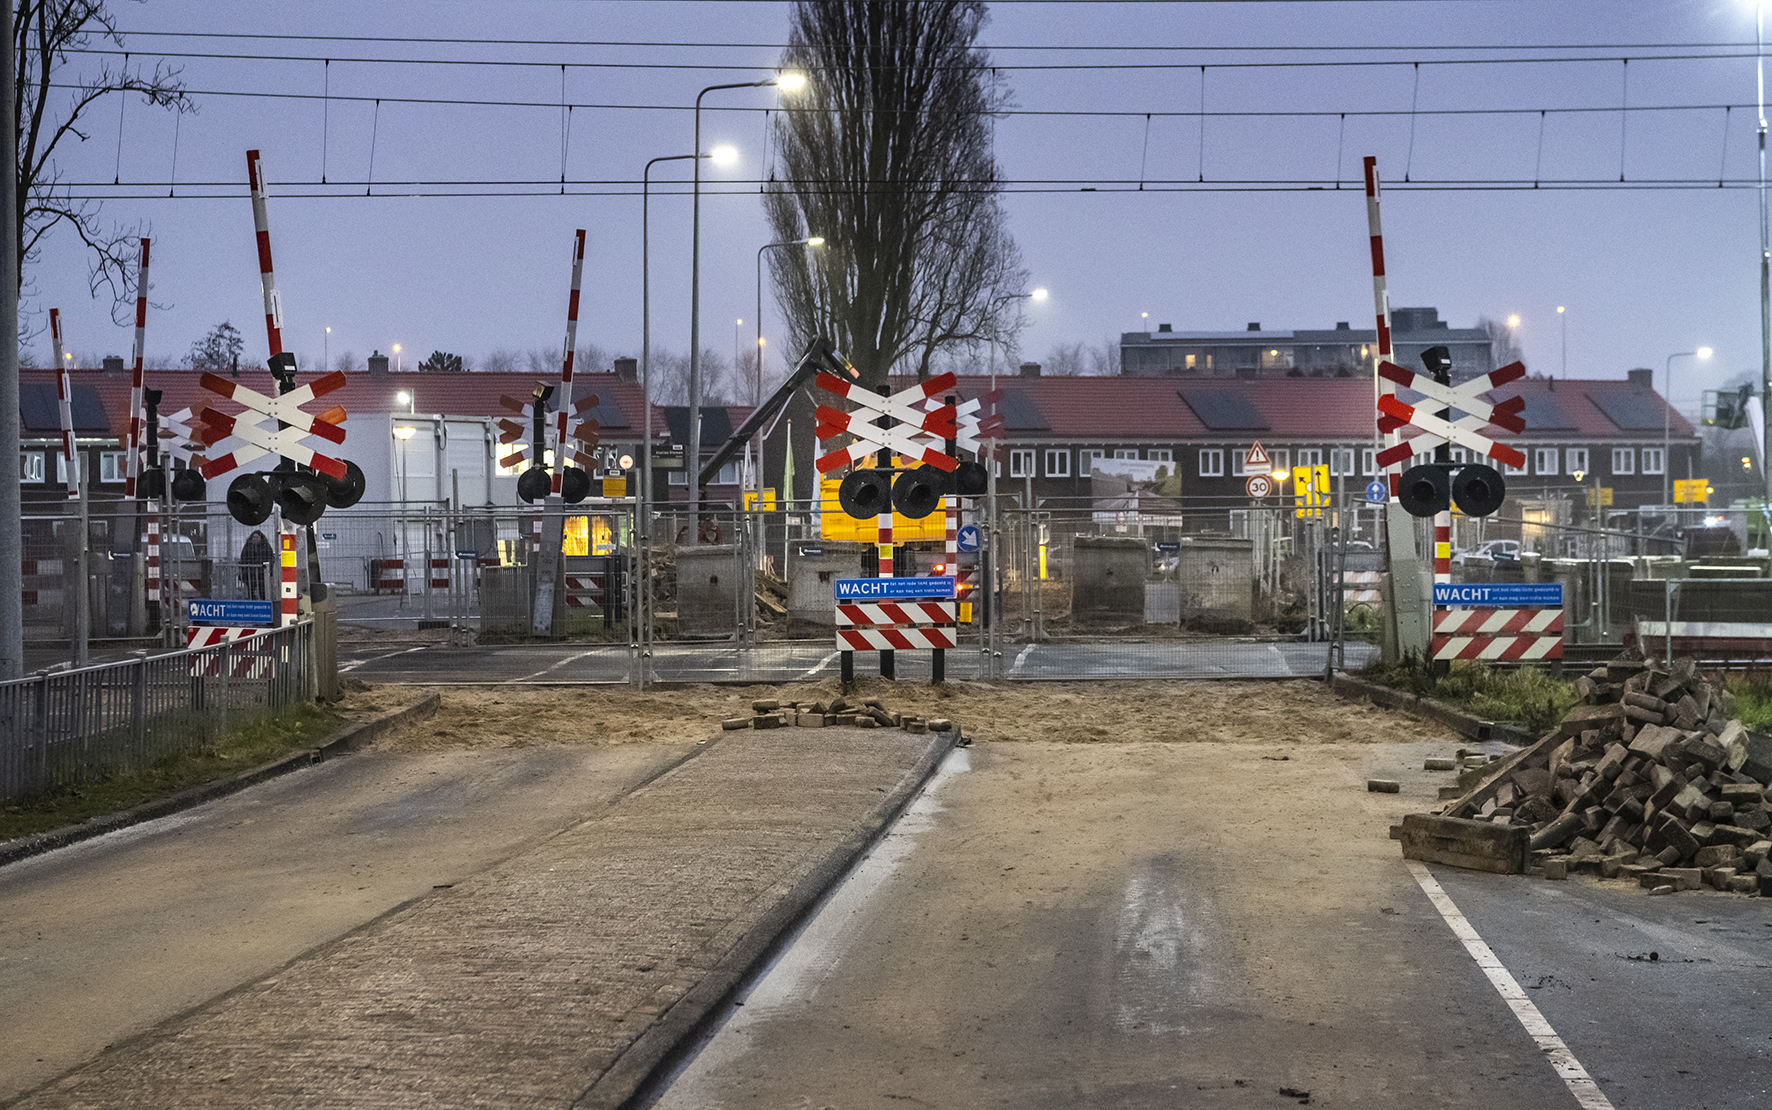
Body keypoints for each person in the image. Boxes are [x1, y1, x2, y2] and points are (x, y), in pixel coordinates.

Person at [240, 530, 273, 599]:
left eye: (257, 537)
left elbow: (270, 557)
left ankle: (264, 601)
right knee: (250, 588)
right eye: (253, 537)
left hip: (262, 572)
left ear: (261, 538)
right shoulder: (247, 546)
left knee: (262, 589)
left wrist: (267, 566)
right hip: (250, 572)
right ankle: (252, 600)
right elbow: (243, 557)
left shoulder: (266, 546)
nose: (255, 539)